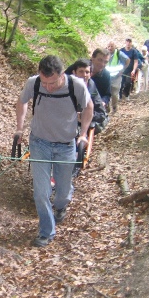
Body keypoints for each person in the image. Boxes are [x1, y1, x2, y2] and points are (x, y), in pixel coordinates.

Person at [14, 55, 93, 247]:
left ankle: (60, 207)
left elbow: (89, 108)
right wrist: (19, 127)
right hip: (39, 143)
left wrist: (83, 134)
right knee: (41, 191)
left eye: (53, 82)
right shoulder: (33, 83)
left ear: (62, 74)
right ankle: (46, 231)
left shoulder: (76, 86)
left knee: (63, 192)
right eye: (44, 82)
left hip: (66, 145)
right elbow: (21, 102)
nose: (48, 87)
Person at [71, 58, 108, 134]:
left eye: (87, 72)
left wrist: (84, 115)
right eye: (81, 72)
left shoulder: (92, 88)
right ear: (74, 73)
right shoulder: (66, 87)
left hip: (85, 125)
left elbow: (101, 114)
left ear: (90, 74)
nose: (84, 75)